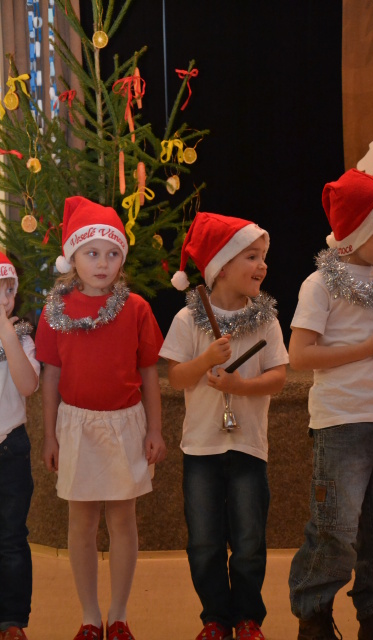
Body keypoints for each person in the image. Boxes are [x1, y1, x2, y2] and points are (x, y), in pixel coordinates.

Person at [288, 169, 373, 640]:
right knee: (336, 527)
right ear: (355, 232)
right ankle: (314, 616)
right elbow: (300, 356)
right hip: (341, 421)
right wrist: (371, 347)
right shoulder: (319, 284)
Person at [35, 196, 166, 640]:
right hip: (75, 427)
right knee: (82, 523)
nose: (103, 263)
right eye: (92, 253)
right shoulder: (55, 312)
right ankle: (90, 616)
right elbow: (51, 376)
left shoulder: (137, 309)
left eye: (112, 254)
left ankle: (119, 614)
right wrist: (50, 435)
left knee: (123, 520)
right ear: (72, 256)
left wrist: (155, 429)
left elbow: (149, 372)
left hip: (125, 425)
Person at [160, 212, 288, 640]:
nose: (262, 265)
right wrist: (205, 361)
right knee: (204, 541)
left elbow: (278, 377)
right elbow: (177, 378)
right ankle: (214, 617)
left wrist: (239, 386)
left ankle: (248, 617)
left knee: (249, 539)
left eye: (264, 256)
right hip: (201, 449)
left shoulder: (265, 320)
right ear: (221, 266)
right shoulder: (188, 319)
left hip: (249, 446)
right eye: (252, 256)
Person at [0, 252, 40, 640]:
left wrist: (6, 331)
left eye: (8, 291)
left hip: (10, 447)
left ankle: (11, 621)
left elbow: (27, 385)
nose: (4, 299)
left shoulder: (23, 336)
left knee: (11, 537)